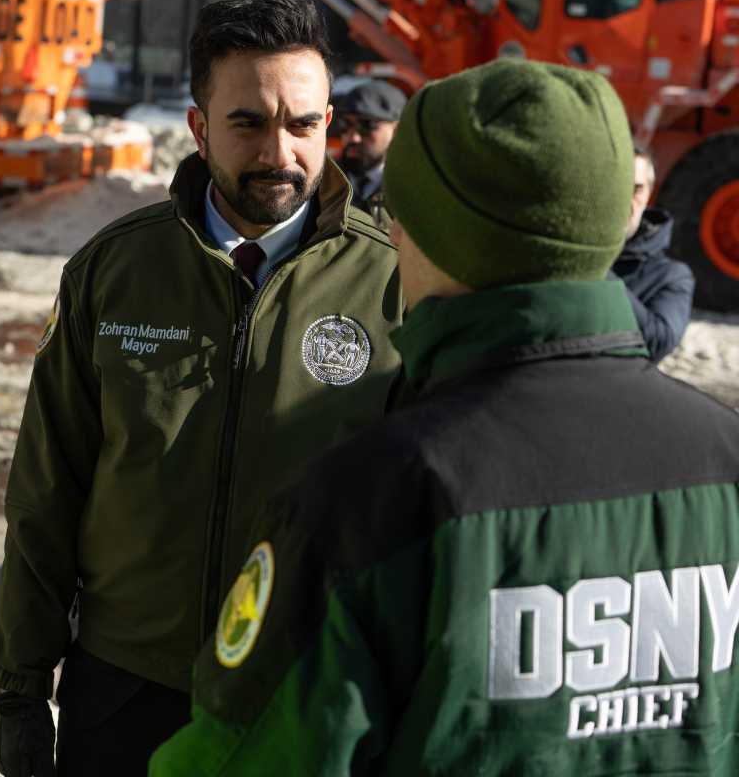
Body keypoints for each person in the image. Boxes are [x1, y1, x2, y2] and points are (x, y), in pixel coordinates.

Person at [152, 58, 739, 777]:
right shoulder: (726, 457)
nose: (392, 237)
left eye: (400, 217)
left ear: (434, 234)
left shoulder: (370, 501)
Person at [0, 0, 403, 777]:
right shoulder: (113, 272)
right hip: (125, 691)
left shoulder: (393, 284)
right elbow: (45, 491)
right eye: (248, 123)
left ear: (328, 125)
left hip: (308, 698)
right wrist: (19, 686)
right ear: (199, 128)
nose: (279, 152)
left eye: (303, 125)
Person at [611, 146, 695, 362]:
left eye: (636, 189)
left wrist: (595, 266)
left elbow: (659, 342)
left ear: (649, 195)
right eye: (615, 186)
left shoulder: (671, 276)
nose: (624, 200)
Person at [334, 78, 406, 226]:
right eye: (345, 124)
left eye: (367, 125)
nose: (354, 137)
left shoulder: (411, 187)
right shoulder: (325, 179)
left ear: (397, 130)